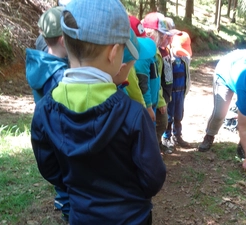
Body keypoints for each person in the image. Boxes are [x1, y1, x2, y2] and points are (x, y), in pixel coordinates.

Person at [30, 0, 166, 224]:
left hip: (82, 216)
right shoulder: (133, 114)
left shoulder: (45, 110)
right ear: (113, 53)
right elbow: (153, 177)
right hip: (131, 218)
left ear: (67, 43)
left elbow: (50, 169)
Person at [25, 6, 70, 221]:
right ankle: (70, 211)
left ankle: (64, 201)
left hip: (49, 129)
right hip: (61, 130)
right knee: (68, 174)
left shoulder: (41, 64)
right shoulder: (60, 75)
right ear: (64, 39)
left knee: (62, 173)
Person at [141, 12, 177, 154]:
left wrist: (160, 100)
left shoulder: (157, 51)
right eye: (161, 34)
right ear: (151, 33)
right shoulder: (145, 52)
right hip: (145, 102)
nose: (164, 37)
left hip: (155, 99)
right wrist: (149, 105)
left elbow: (157, 80)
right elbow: (143, 82)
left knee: (161, 123)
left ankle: (153, 153)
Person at [162, 30, 192, 148]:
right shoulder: (167, 59)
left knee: (179, 115)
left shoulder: (185, 59)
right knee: (169, 116)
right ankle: (166, 137)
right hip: (170, 93)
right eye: (179, 51)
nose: (181, 54)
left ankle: (177, 135)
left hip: (181, 92)